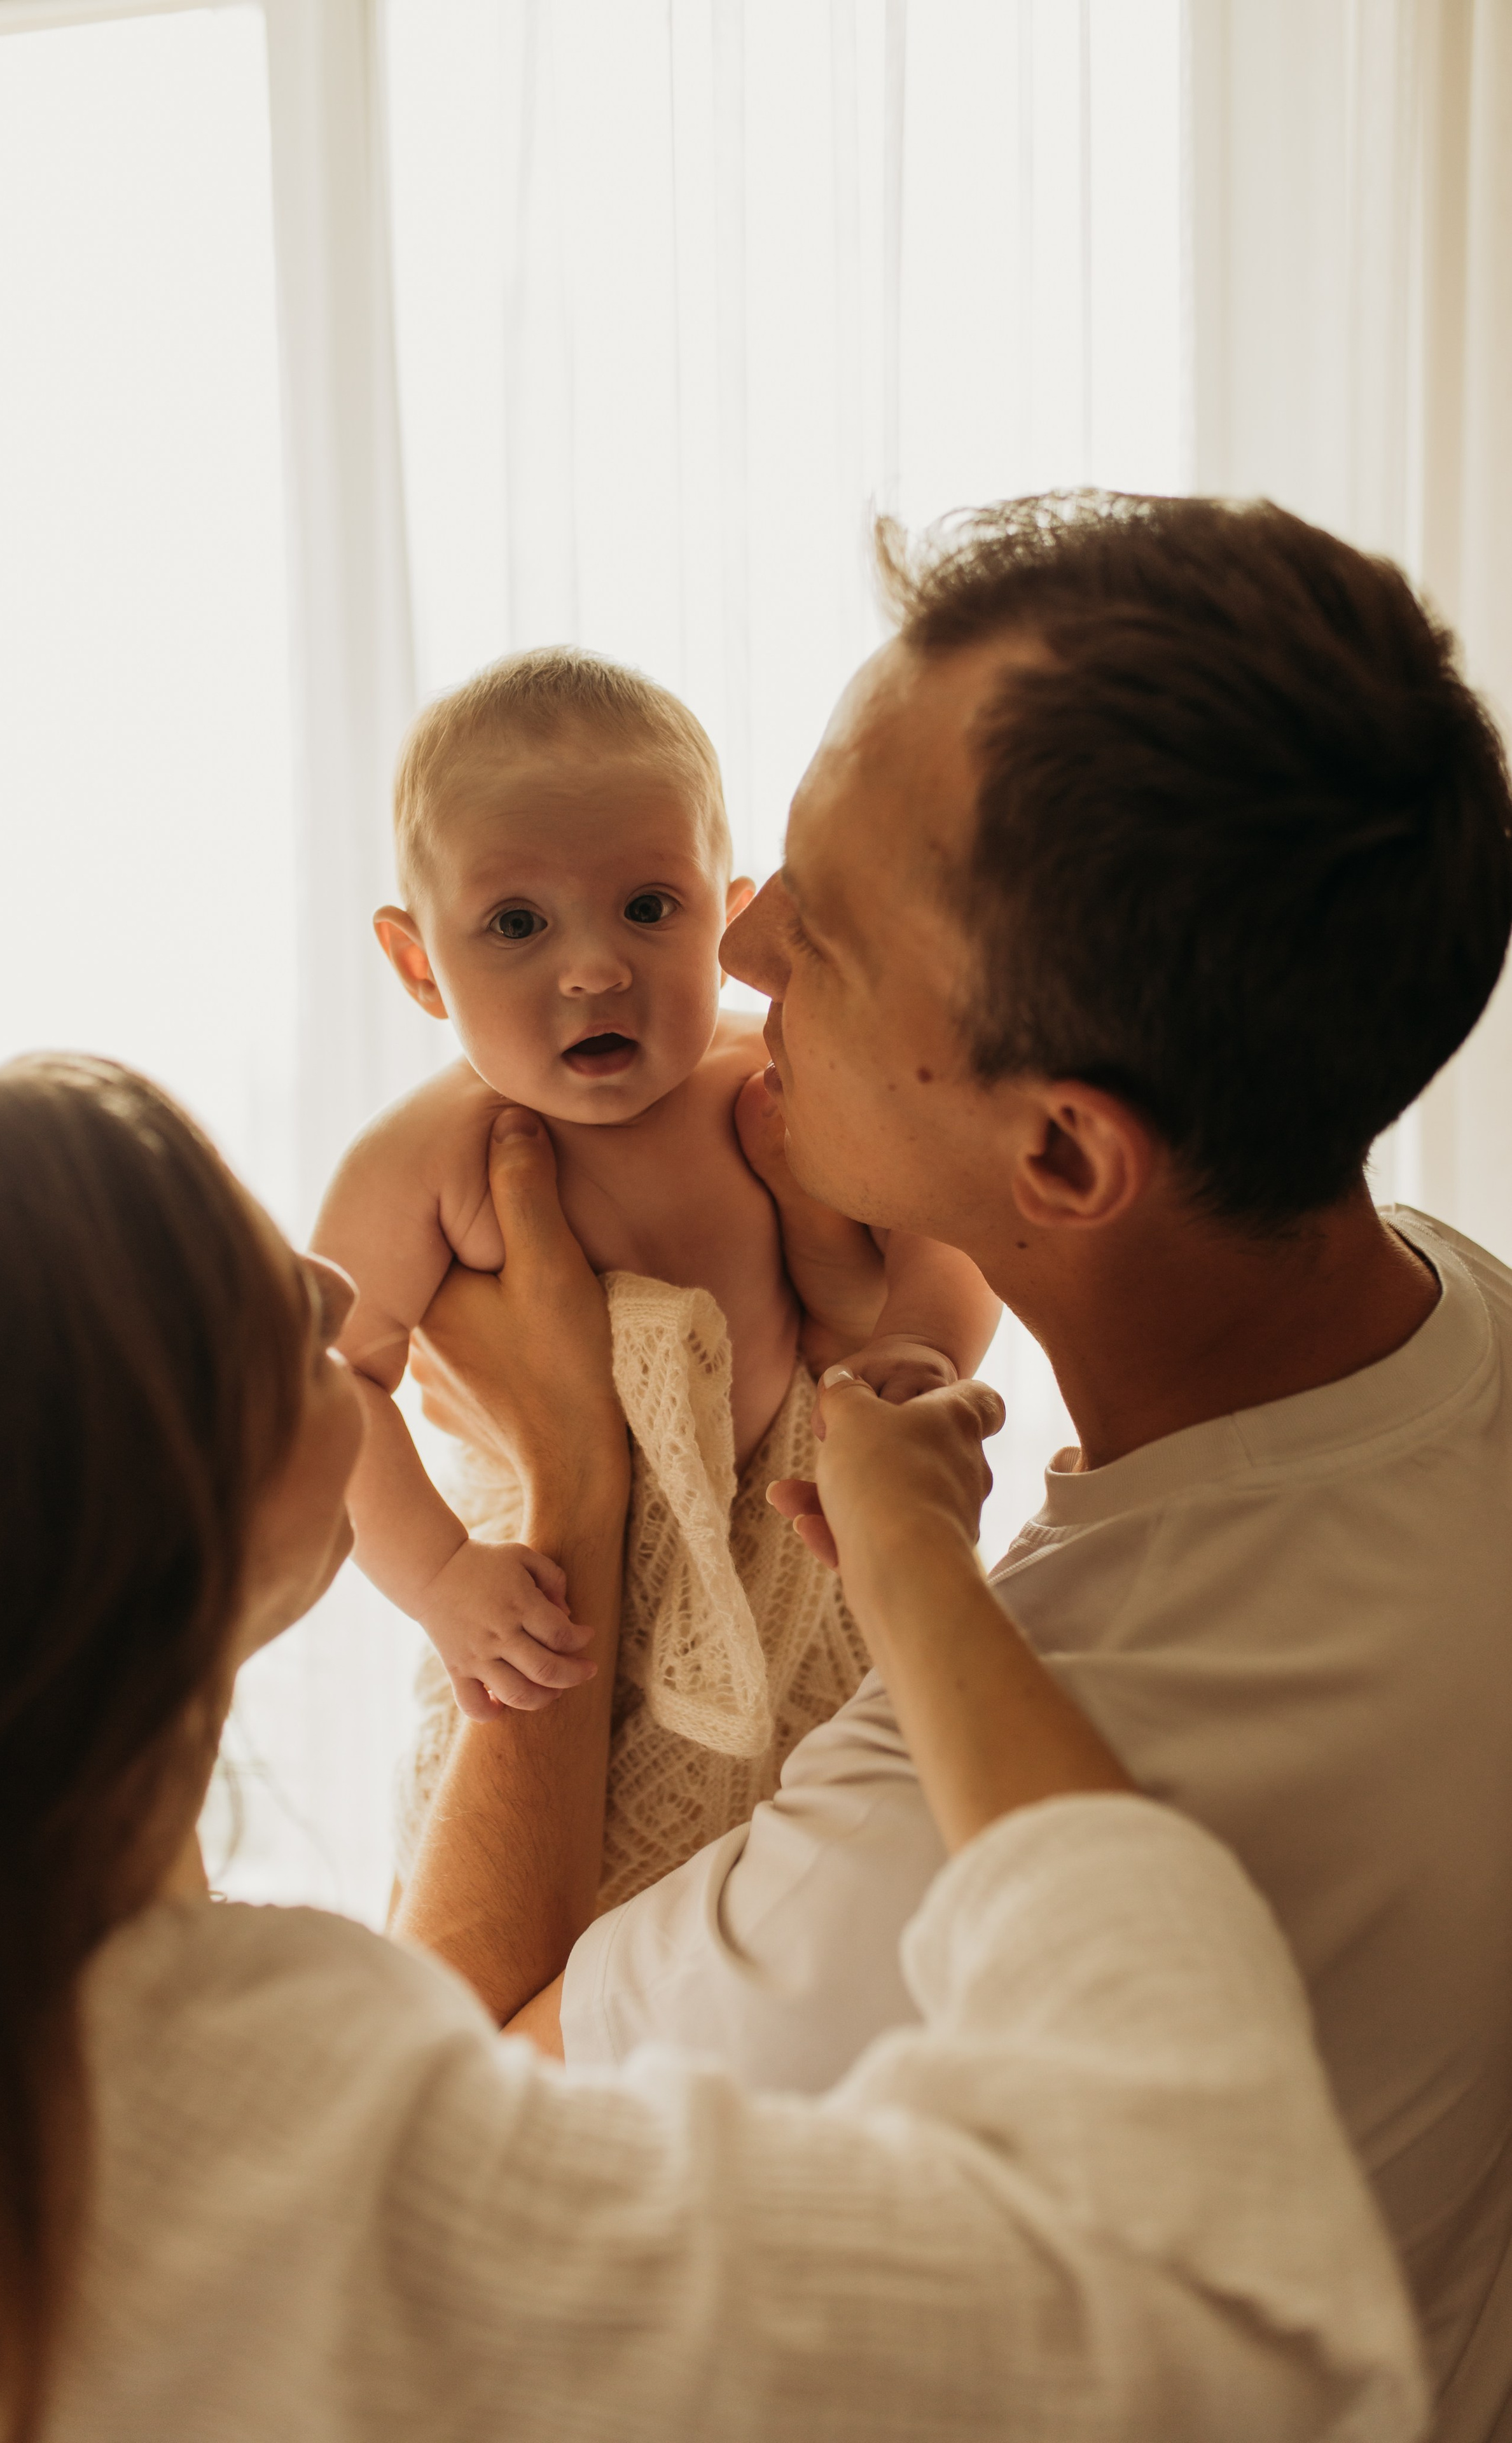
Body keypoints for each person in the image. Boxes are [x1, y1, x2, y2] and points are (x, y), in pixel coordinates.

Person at [399, 494, 1512, 2437]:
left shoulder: (942, 1849)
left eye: (810, 931)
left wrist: (574, 1472)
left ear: (1063, 1162)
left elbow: (424, 2145)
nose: (734, 947)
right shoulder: (1469, 1319)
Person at [0, 1054, 1425, 2443]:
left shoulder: (11, 2074)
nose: (314, 1276)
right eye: (230, 1283)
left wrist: (579, 1476)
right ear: (115, 1510)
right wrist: (909, 1569)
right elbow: (1244, 2340)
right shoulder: (266, 2160)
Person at [314, 647, 995, 1909]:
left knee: (847, 1899)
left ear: (725, 914)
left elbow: (947, 1227)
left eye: (647, 907)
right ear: (419, 967)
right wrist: (439, 1580)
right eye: (516, 925)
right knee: (558, 1956)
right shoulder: (430, 1156)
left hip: (805, 1603)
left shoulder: (771, 1080)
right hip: (561, 1645)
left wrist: (919, 1350)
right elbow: (329, 1378)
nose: (593, 968)